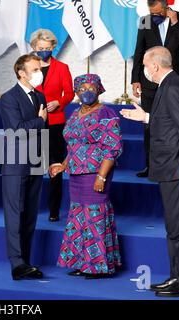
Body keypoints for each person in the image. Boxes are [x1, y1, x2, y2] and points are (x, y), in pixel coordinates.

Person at [121, 46, 179, 297]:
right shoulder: (170, 85)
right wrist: (146, 117)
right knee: (173, 227)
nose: (144, 70)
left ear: (154, 66)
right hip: (171, 167)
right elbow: (169, 121)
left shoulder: (174, 86)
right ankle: (177, 276)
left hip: (178, 169)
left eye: (144, 65)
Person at [50, 74, 122, 279]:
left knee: (95, 216)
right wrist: (62, 166)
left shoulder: (106, 113)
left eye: (90, 88)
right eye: (81, 90)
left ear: (99, 89)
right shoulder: (74, 114)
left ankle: (98, 266)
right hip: (76, 175)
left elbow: (113, 148)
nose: (86, 92)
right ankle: (83, 262)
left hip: (95, 174)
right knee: (79, 218)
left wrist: (101, 176)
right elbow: (73, 145)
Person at [131, 0, 179, 178]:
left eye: (158, 12)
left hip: (175, 80)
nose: (154, 16)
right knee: (148, 124)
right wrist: (135, 78)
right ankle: (150, 165)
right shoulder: (145, 20)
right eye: (152, 13)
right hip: (149, 80)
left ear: (166, 5)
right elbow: (139, 49)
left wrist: (175, 23)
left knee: (178, 124)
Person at [0, 54, 48, 281]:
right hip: (15, 164)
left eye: (40, 68)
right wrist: (39, 120)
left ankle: (26, 262)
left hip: (36, 162)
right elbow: (17, 129)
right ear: (22, 72)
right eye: (35, 69)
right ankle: (16, 263)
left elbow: (43, 134)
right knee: (15, 215)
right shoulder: (9, 98)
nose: (40, 72)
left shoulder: (40, 96)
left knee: (30, 215)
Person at [30, 29, 75, 222]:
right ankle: (29, 206)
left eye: (47, 48)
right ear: (34, 47)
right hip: (32, 121)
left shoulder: (62, 67)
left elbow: (70, 93)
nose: (43, 51)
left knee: (55, 167)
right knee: (32, 166)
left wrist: (59, 103)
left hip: (56, 122)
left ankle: (54, 210)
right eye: (40, 48)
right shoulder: (28, 66)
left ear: (53, 47)